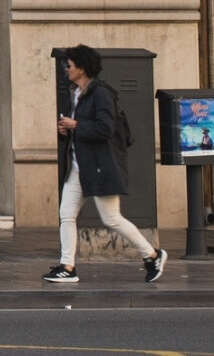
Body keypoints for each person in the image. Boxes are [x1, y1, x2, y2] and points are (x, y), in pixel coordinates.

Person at [45, 44, 167, 283]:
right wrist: (65, 130)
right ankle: (67, 266)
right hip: (79, 168)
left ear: (82, 68)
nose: (65, 69)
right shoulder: (77, 93)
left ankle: (152, 255)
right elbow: (81, 130)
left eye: (68, 65)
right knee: (67, 214)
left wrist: (76, 126)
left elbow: (105, 128)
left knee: (111, 218)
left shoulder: (101, 93)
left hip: (99, 168)